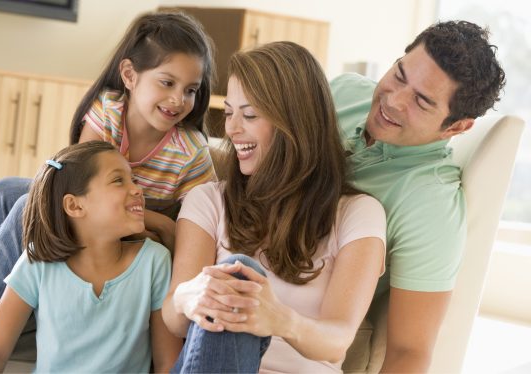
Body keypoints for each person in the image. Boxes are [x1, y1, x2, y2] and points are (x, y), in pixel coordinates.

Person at [0, 10, 216, 359]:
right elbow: (73, 182)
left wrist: (159, 223)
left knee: (26, 205)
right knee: (2, 192)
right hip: (97, 208)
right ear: (130, 76)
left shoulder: (190, 152)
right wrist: (157, 219)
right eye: (167, 82)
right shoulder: (108, 111)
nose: (179, 99)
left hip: (126, 229)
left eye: (190, 89)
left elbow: (198, 229)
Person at [161, 41, 387, 373]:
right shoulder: (208, 200)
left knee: (241, 282)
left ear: (295, 121)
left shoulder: (358, 213)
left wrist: (278, 319)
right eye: (229, 113)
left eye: (249, 114)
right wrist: (188, 297)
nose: (233, 129)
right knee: (236, 275)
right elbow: (174, 320)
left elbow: (338, 338)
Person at [330, 20, 505, 372]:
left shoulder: (430, 206)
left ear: (457, 127)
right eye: (399, 74)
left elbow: (409, 352)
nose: (392, 102)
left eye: (422, 101)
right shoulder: (345, 90)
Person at [0, 141, 181, 373]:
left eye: (134, 180)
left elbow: (167, 362)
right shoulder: (37, 263)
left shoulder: (154, 262)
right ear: (74, 205)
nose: (137, 189)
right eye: (118, 180)